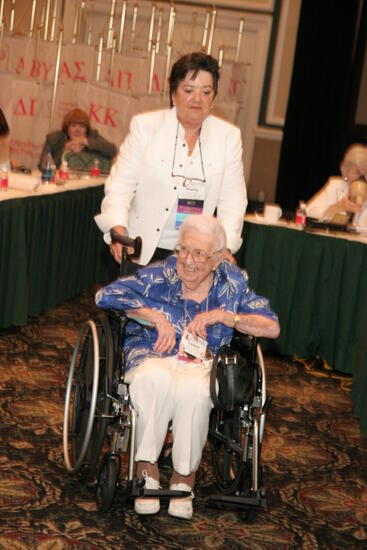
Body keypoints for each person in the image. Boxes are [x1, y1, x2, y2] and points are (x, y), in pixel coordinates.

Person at [95, 214, 279, 519]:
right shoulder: (159, 275)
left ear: (219, 259)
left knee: (196, 390)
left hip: (203, 364)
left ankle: (183, 478)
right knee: (156, 379)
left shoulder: (233, 285)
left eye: (199, 254)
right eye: (183, 250)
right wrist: (153, 315)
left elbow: (270, 327)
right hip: (152, 355)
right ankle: (147, 470)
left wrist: (223, 316)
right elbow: (106, 295)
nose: (188, 261)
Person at [95, 52, 247, 269]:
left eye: (206, 92)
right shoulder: (146, 127)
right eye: (188, 90)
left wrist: (225, 247)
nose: (197, 99)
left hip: (197, 257)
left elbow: (233, 201)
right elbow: (120, 186)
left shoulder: (228, 137)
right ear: (173, 93)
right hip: (142, 252)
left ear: (213, 98)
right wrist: (119, 230)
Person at [38, 108, 117, 171]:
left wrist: (85, 142)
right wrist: (64, 151)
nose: (77, 129)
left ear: (87, 129)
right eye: (73, 125)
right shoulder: (54, 139)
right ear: (67, 127)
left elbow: (113, 150)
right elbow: (43, 167)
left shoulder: (93, 136)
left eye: (82, 126)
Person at [306, 144, 367, 222]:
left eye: (366, 174)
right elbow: (308, 213)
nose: (362, 178)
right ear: (347, 172)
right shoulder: (335, 186)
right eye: (357, 172)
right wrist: (338, 207)